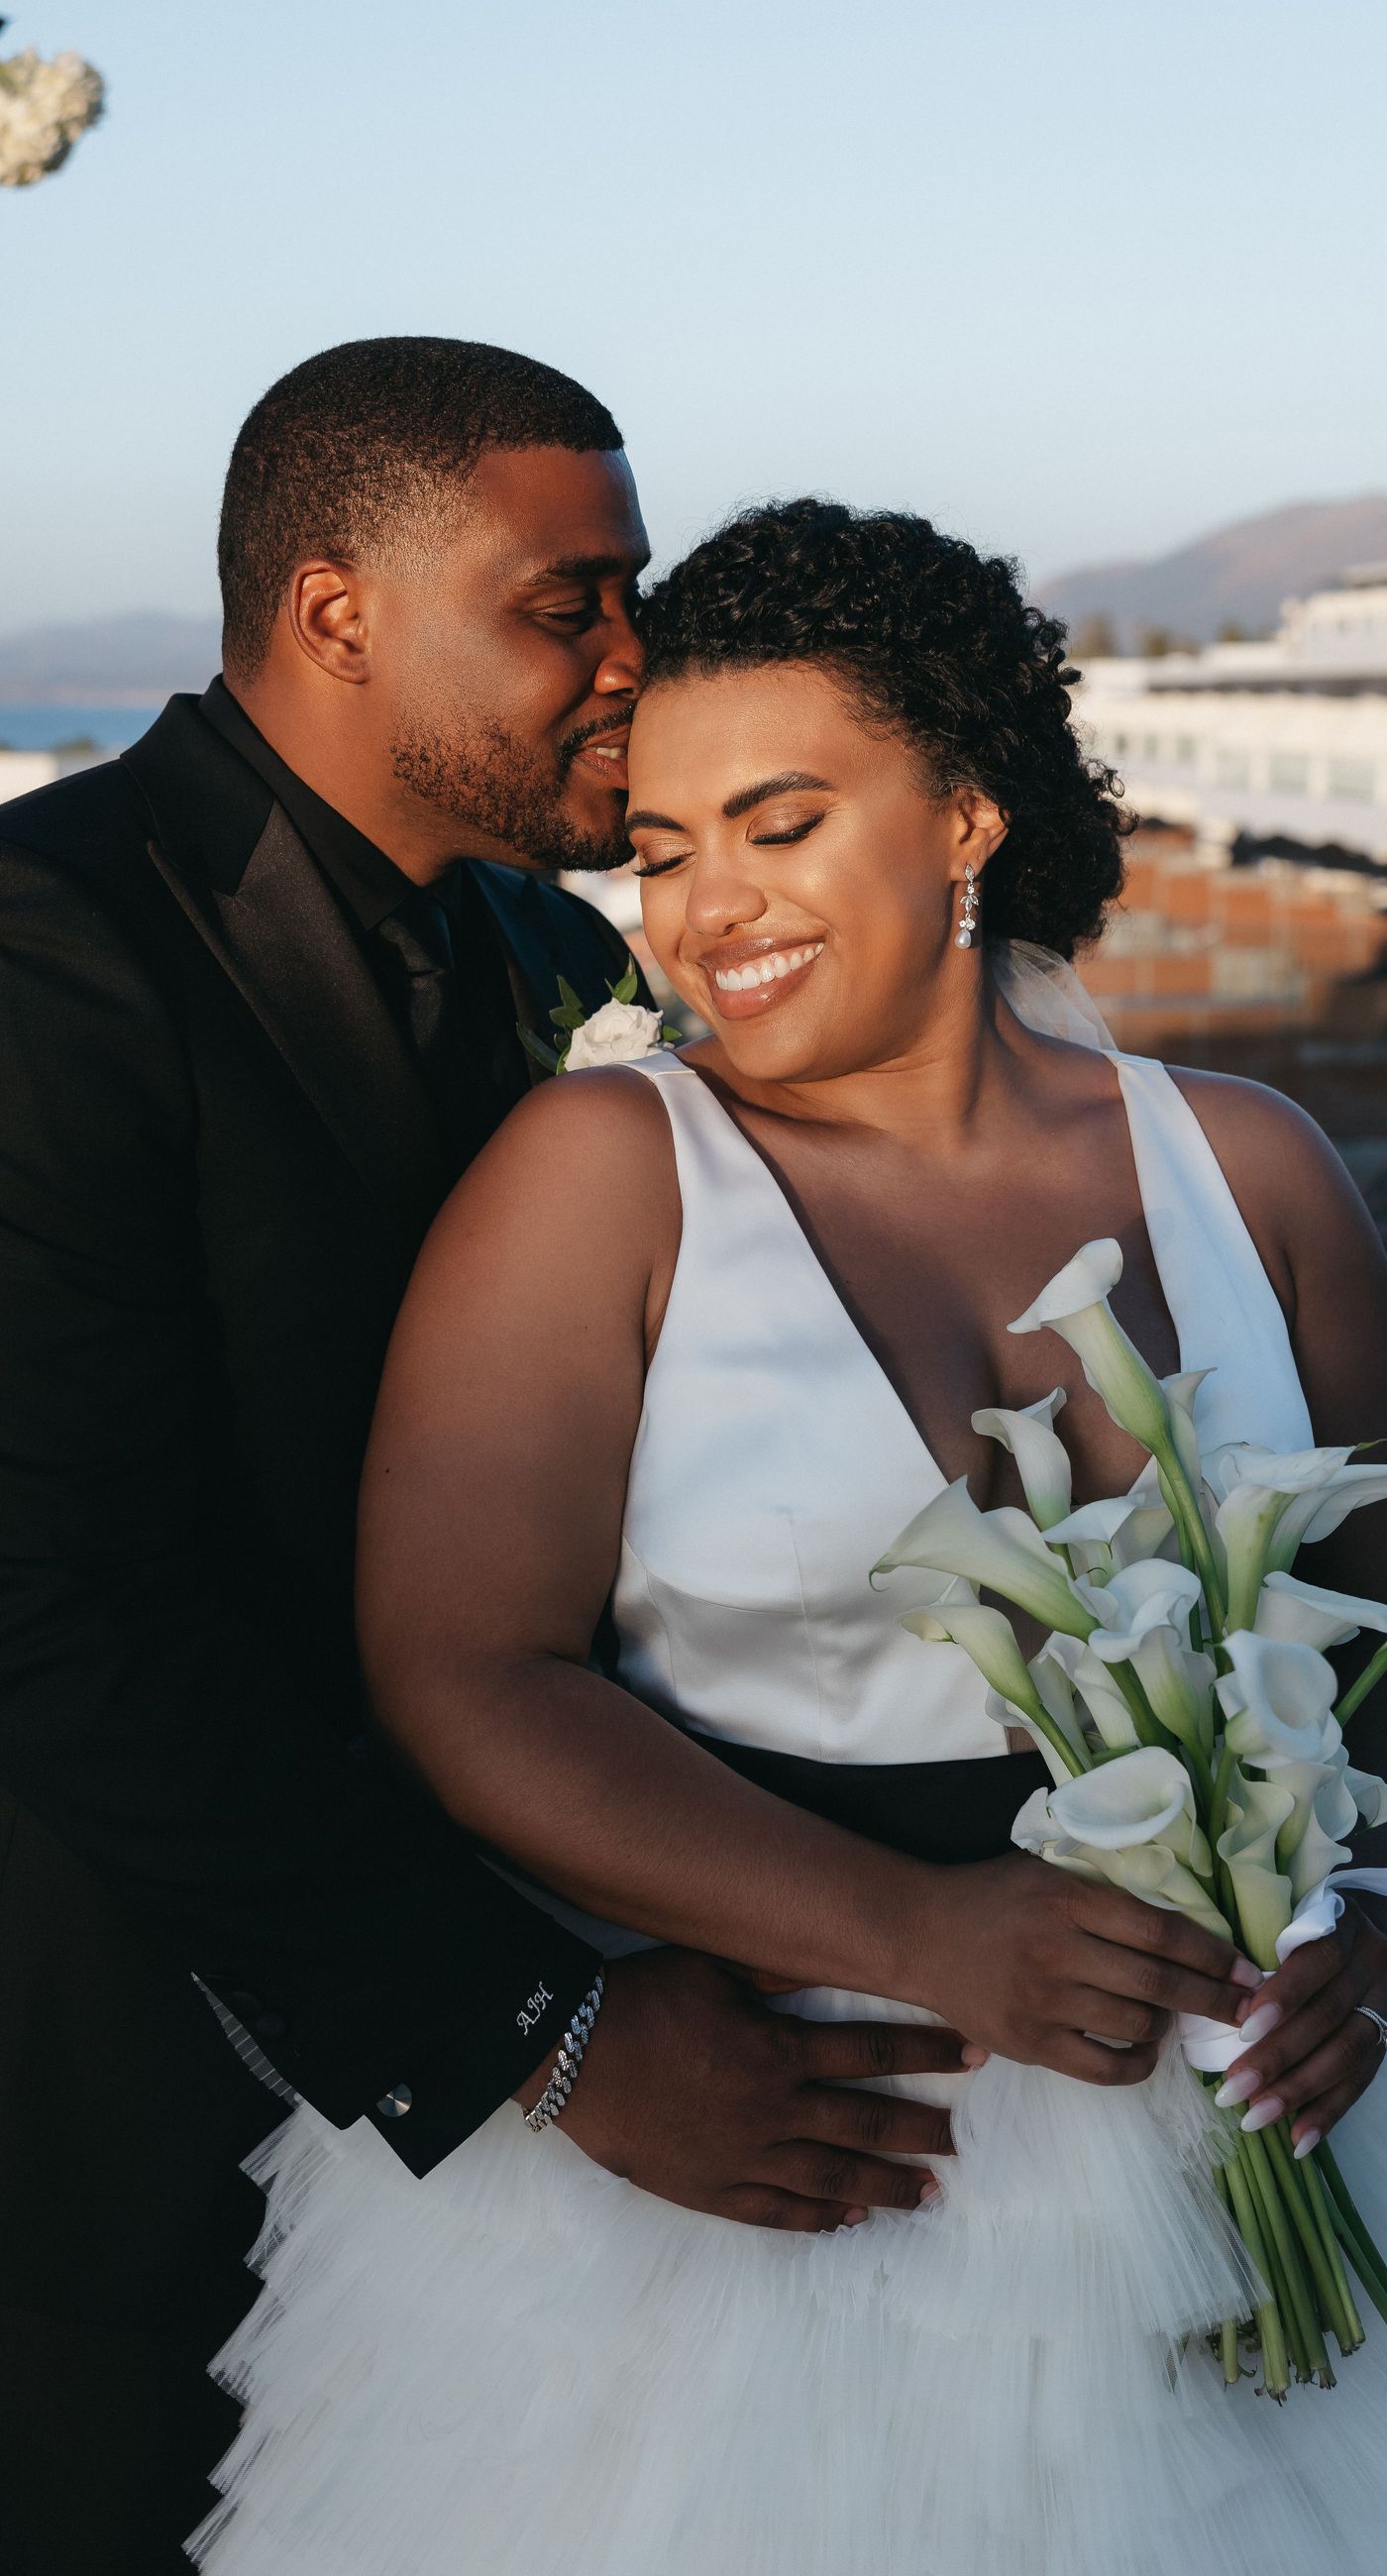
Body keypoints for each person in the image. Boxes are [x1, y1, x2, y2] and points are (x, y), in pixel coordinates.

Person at [188, 499, 1387, 2573]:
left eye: (778, 821)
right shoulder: (601, 1172)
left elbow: (1366, 1642)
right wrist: (914, 1935)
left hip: (1249, 2130)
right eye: (657, 849)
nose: (699, 911)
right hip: (808, 2167)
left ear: (962, 819)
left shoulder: (1255, 1168)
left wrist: (1363, 1922)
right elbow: (463, 1669)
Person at [0, 356, 975, 2576]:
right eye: (574, 602)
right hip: (148, 2098)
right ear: (339, 613)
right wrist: (535, 2037)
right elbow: (54, 1604)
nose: (637, 658)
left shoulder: (561, 955)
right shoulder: (47, 949)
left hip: (611, 2132)